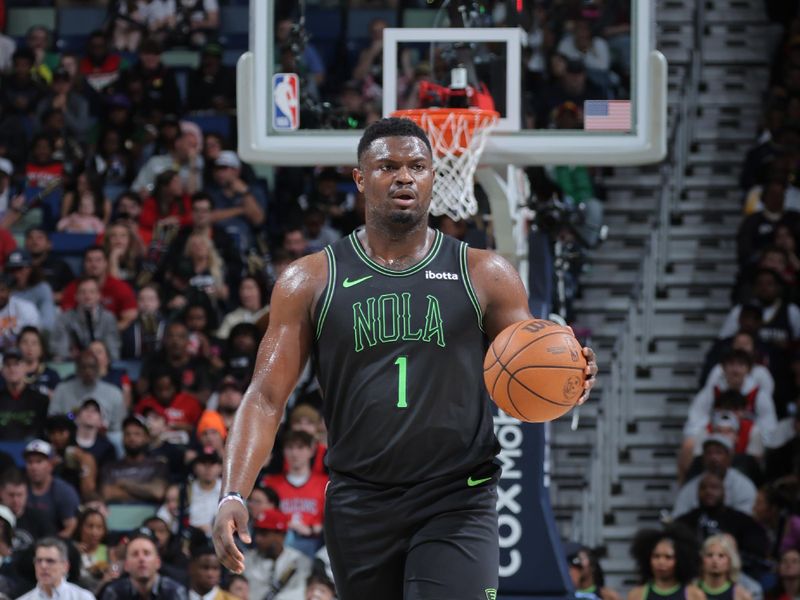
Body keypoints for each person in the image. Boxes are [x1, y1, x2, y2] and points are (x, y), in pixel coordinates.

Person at [212, 118, 598, 597]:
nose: (404, 177)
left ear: (435, 175)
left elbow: (533, 363)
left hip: (457, 495)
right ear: (359, 177)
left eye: (417, 166)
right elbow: (266, 397)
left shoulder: (485, 275)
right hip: (359, 500)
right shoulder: (310, 279)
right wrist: (233, 492)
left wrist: (570, 376)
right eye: (387, 166)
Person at [673, 436, 758, 517]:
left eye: (718, 452)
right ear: (703, 458)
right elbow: (679, 517)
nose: (713, 457)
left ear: (729, 457)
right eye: (709, 453)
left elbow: (747, 519)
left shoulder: (743, 486)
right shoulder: (690, 487)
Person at [242, 509, 311, 600]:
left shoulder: (300, 561)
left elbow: (299, 594)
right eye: (257, 532)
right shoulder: (246, 559)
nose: (257, 539)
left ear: (281, 535)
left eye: (264, 533)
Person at [99, 416, 168, 504]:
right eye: (127, 434)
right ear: (122, 438)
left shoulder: (158, 465)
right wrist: (146, 493)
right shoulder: (110, 467)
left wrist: (124, 484)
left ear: (146, 438)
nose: (132, 438)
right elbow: (107, 494)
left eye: (137, 434)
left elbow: (158, 492)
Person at [98, 532, 188, 600]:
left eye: (147, 553)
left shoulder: (175, 591)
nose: (141, 559)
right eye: (135, 554)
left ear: (158, 562)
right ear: (126, 565)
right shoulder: (114, 592)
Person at [50, 277, 121, 362]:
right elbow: (59, 352)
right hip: (73, 365)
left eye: (92, 292)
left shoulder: (109, 318)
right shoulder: (64, 319)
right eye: (83, 292)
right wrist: (73, 355)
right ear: (76, 296)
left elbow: (113, 353)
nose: (87, 296)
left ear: (99, 296)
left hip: (101, 366)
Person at [627, 526, 704, 600]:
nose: (661, 562)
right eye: (656, 556)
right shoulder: (636, 595)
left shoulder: (694, 595)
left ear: (680, 560)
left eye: (668, 557)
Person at [23, 439, 80, 538]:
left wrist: (51, 545)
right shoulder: (19, 488)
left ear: (51, 464)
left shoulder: (64, 491)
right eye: (30, 462)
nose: (34, 467)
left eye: (39, 461)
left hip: (52, 545)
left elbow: (71, 527)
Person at [17, 537, 94, 600]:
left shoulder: (83, 597)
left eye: (50, 561)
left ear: (65, 566)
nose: (43, 566)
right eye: (39, 561)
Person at [0, 347, 49, 441]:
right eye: (7, 364)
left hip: (32, 452)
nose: (12, 368)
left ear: (25, 368)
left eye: (16, 364)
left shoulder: (40, 400)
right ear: (2, 371)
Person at [699, 534, 753, 600]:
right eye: (709, 555)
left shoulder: (741, 595)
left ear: (731, 561)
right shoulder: (690, 592)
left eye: (721, 555)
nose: (715, 560)